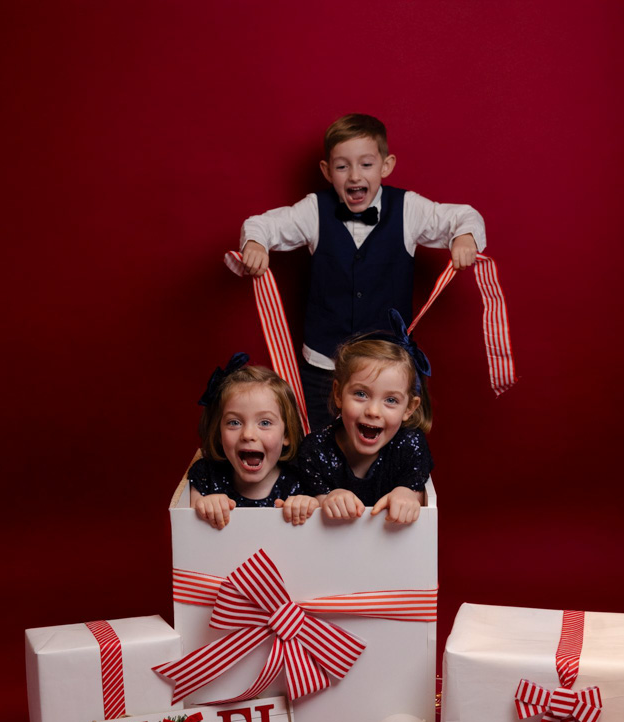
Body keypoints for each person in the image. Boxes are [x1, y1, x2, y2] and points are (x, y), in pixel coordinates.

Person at [237, 113, 485, 429]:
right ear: (327, 171)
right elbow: (262, 224)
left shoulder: (408, 208)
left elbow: (463, 216)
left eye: (366, 165)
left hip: (386, 370)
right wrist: (257, 242)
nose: (354, 175)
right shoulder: (315, 209)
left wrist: (464, 236)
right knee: (318, 444)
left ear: (386, 165)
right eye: (342, 167)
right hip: (323, 366)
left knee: (386, 450)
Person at [296, 309, 433, 525]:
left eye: (391, 400)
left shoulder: (409, 445)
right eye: (361, 394)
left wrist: (407, 494)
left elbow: (418, 493)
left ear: (410, 408)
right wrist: (326, 500)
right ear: (338, 394)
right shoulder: (315, 450)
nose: (373, 411)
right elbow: (305, 506)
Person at [189, 355, 319, 529]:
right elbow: (190, 531)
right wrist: (204, 506)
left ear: (286, 433)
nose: (248, 434)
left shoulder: (303, 479)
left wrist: (310, 506)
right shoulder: (206, 477)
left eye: (264, 423)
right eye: (234, 422)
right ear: (219, 432)